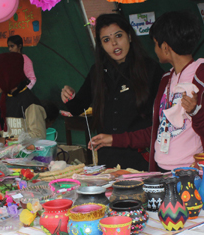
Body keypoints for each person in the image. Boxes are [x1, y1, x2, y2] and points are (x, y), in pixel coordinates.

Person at [90, 11, 204, 171]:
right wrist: (113, 140)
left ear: (165, 47)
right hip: (162, 172)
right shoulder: (166, 79)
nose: (154, 50)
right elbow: (158, 130)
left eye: (155, 44)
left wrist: (196, 112)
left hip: (192, 174)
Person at [61, 13, 164, 170]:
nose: (114, 43)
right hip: (108, 159)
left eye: (119, 35)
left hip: (142, 157)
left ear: (129, 36)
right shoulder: (97, 72)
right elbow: (77, 108)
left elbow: (164, 117)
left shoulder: (150, 69)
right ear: (101, 45)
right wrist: (69, 96)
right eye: (106, 40)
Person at [0, 52, 46, 139]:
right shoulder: (7, 98)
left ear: (6, 77)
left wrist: (6, 140)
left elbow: (38, 135)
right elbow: (10, 133)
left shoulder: (30, 103)